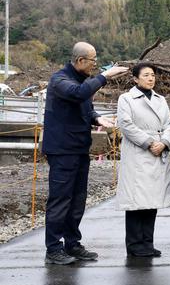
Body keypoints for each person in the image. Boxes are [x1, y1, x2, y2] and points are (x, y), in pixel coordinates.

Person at [42, 42, 129, 265]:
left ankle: (72, 243)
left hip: (80, 149)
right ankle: (53, 249)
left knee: (78, 199)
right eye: (93, 61)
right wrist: (105, 75)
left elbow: (85, 106)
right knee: (60, 199)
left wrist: (96, 118)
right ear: (80, 61)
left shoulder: (81, 81)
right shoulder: (60, 80)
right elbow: (78, 94)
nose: (95, 65)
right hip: (62, 150)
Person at [115, 63, 170, 257]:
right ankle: (134, 244)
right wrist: (150, 142)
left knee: (152, 199)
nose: (151, 78)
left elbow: (169, 124)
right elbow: (126, 125)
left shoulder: (161, 99)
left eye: (152, 75)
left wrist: (165, 142)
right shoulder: (126, 99)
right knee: (136, 201)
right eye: (146, 75)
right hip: (139, 152)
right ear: (135, 79)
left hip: (158, 152)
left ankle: (148, 242)